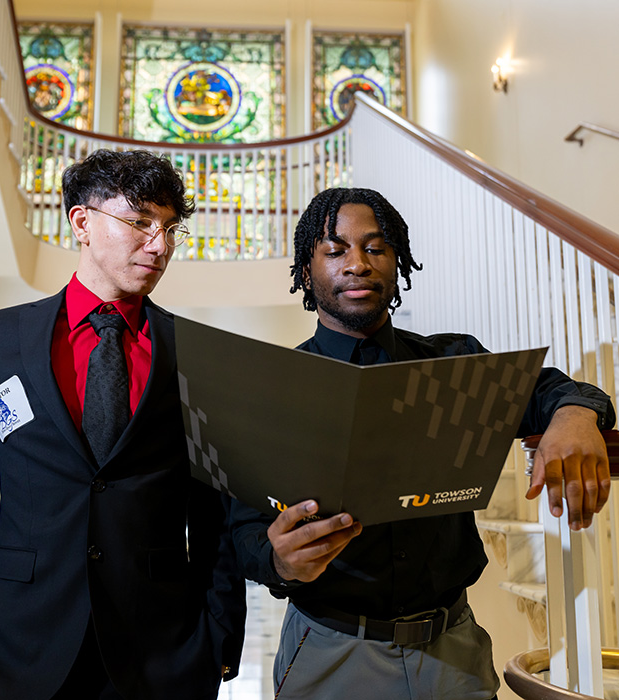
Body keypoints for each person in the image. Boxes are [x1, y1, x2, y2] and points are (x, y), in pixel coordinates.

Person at [230, 187, 614, 700]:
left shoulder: (453, 367)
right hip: (330, 650)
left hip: (452, 649)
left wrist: (575, 413)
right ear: (307, 271)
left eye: (375, 247)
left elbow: (549, 388)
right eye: (335, 249)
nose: (358, 264)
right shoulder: (272, 389)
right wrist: (281, 563)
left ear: (397, 263)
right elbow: (242, 534)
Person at [0, 150, 246, 700]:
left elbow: (215, 519)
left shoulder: (196, 354)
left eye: (170, 229)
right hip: (10, 652)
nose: (160, 245)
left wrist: (219, 647)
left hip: (160, 657)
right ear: (82, 222)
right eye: (141, 222)